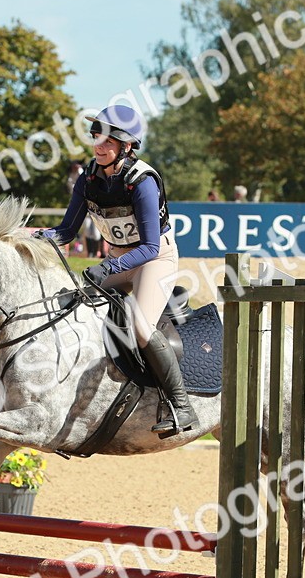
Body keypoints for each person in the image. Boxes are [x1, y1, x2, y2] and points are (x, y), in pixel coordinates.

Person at [36, 104, 197, 436]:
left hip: (154, 260)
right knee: (73, 303)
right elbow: (67, 231)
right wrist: (32, 238)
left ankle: (182, 407)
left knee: (140, 327)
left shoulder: (142, 182)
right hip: (121, 259)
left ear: (126, 146)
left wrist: (107, 265)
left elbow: (151, 247)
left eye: (108, 140)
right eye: (96, 136)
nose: (98, 145)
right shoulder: (89, 178)